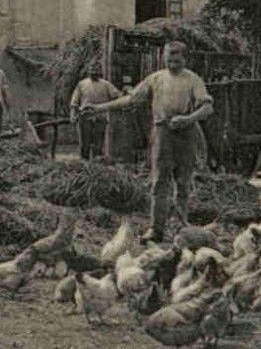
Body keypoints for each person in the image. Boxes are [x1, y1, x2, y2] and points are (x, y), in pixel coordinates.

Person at [84, 41, 214, 240]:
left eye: (177, 60)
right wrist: (99, 108)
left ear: (185, 59)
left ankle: (181, 228)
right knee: (160, 181)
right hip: (163, 133)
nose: (172, 64)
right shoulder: (156, 79)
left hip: (186, 134)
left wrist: (187, 119)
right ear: (164, 58)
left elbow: (207, 108)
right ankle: (156, 229)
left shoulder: (193, 80)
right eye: (169, 59)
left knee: (183, 182)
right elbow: (131, 99)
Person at [68, 62, 119, 160]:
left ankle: (96, 166)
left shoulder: (106, 84)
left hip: (100, 117)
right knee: (84, 144)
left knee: (98, 145)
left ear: (100, 71)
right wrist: (72, 115)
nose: (94, 71)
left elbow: (116, 95)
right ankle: (84, 165)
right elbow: (74, 102)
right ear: (88, 71)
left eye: (96, 69)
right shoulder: (82, 84)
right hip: (84, 116)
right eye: (92, 69)